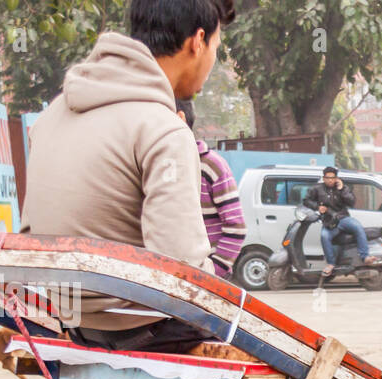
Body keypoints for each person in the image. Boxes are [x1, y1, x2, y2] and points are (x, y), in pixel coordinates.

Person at [21, 0, 234, 353]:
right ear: (198, 41)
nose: (212, 62)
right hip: (148, 330)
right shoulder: (164, 129)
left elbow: (30, 231)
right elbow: (184, 274)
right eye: (216, 48)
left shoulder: (51, 117)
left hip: (75, 322)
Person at [176, 97, 247, 278]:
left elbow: (236, 226)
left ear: (180, 118)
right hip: (173, 276)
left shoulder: (211, 165)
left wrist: (213, 273)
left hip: (208, 279)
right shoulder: (161, 165)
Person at [301, 167, 378, 276]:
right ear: (324, 178)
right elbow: (306, 201)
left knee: (358, 227)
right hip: (329, 221)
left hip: (343, 218)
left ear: (337, 178)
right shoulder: (317, 189)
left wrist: (342, 189)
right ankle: (331, 264)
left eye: (333, 178)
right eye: (328, 178)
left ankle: (365, 257)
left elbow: (352, 202)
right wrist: (317, 207)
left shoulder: (343, 188)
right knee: (324, 236)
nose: (330, 180)